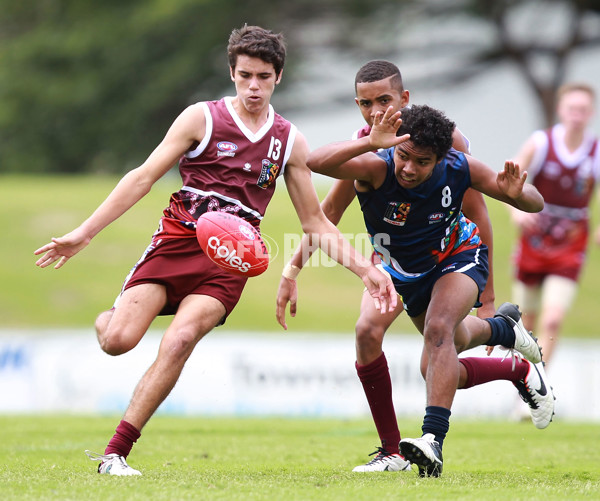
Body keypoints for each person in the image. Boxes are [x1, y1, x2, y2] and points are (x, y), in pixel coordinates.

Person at [34, 25, 397, 477]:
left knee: (181, 339)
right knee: (118, 341)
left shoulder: (289, 140)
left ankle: (115, 453)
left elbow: (315, 221)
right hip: (176, 241)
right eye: (245, 75)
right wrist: (85, 232)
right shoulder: (200, 118)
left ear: (277, 77)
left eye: (263, 76)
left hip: (229, 261)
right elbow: (143, 176)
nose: (253, 86)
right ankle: (110, 317)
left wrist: (365, 269)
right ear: (232, 71)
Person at [301, 104, 554, 477]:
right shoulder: (377, 167)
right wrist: (370, 142)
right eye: (404, 156)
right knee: (443, 355)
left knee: (439, 330)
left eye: (422, 162)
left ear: (441, 158)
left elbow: (535, 202)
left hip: (459, 256)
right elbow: (314, 162)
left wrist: (519, 194)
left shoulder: (459, 167)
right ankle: (508, 339)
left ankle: (431, 441)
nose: (408, 168)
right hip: (407, 274)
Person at [276, 60, 497, 473]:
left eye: (384, 101)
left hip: (449, 257)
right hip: (395, 264)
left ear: (405, 100)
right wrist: (292, 270)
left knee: (439, 345)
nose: (375, 112)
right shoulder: (363, 148)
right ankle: (392, 451)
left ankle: (436, 435)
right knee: (370, 332)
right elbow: (326, 214)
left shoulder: (444, 141)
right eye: (365, 103)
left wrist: (488, 296)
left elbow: (479, 211)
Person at [510, 83, 600, 367]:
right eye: (572, 108)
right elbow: (506, 179)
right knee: (526, 321)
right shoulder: (541, 143)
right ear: (561, 110)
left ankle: (539, 388)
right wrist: (516, 211)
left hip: (571, 242)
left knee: (553, 319)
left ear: (592, 113)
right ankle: (522, 383)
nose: (577, 115)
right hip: (535, 237)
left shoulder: (595, 150)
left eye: (583, 110)